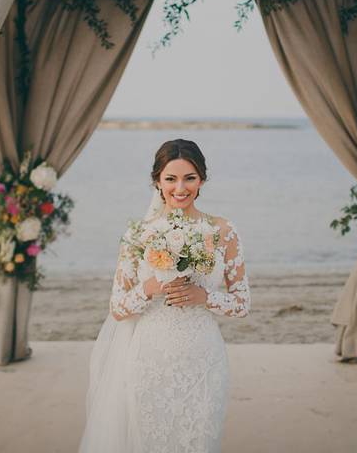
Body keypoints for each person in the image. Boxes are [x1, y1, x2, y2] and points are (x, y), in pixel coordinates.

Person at [78, 139, 250, 453]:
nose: (180, 188)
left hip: (203, 360)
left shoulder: (224, 231)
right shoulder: (138, 234)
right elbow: (118, 308)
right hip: (149, 360)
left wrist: (203, 296)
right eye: (170, 179)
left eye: (190, 178)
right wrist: (150, 287)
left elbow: (241, 304)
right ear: (157, 181)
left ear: (202, 180)